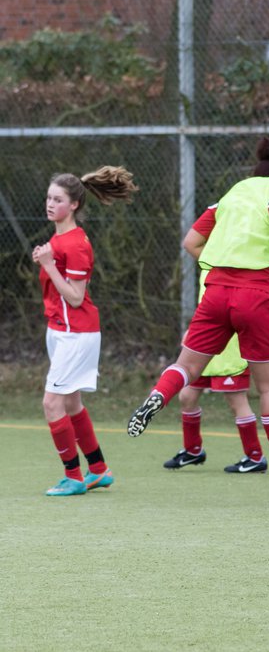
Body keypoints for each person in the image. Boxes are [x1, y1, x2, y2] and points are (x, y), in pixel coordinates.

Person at [126, 137, 269, 487]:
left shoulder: (232, 194)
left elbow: (191, 241)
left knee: (186, 367)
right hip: (254, 294)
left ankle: (157, 395)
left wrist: (224, 265)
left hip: (214, 291)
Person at [35, 167, 139, 496]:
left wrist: (49, 265)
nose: (51, 204)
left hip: (76, 334)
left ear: (74, 205)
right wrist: (49, 260)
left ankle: (74, 477)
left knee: (52, 404)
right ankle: (98, 469)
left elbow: (77, 297)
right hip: (61, 330)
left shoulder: (76, 244)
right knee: (71, 404)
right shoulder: (59, 238)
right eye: (49, 197)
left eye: (58, 199)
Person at [161, 204, 268, 474]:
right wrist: (192, 330)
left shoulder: (240, 264)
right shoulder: (209, 260)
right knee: (187, 395)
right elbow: (207, 304)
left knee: (235, 400)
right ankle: (193, 450)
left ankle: (255, 457)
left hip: (229, 346)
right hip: (206, 343)